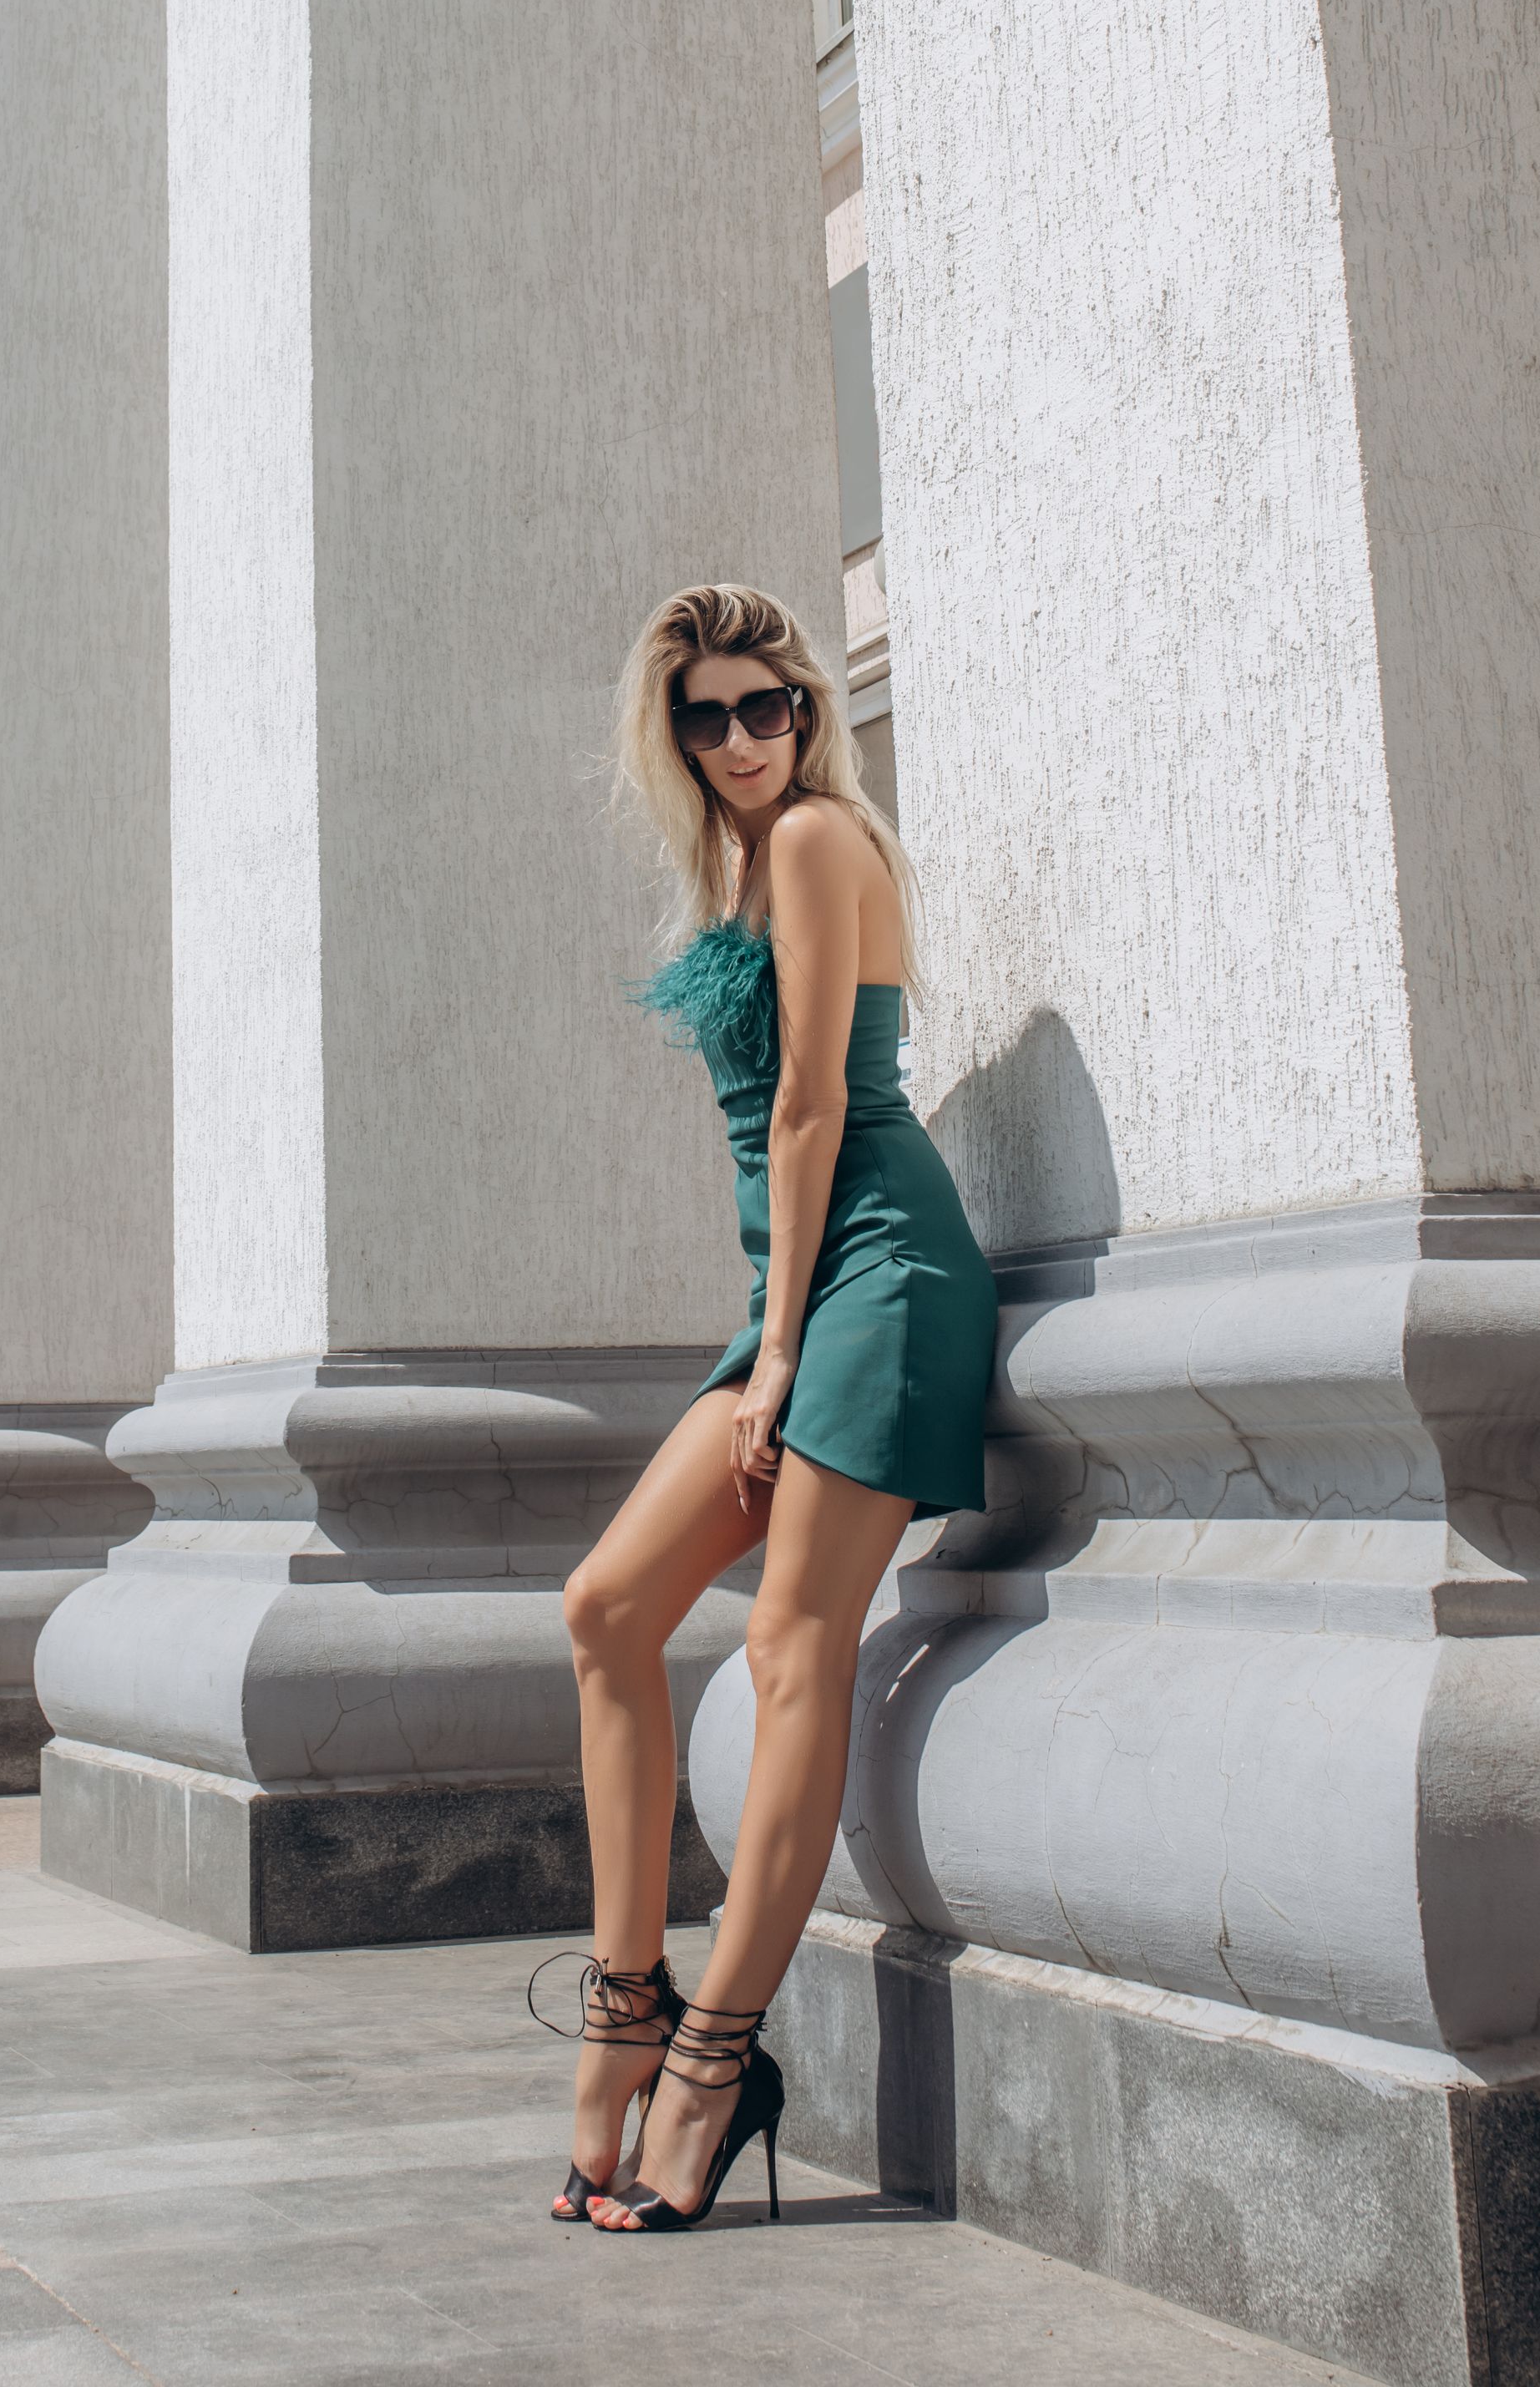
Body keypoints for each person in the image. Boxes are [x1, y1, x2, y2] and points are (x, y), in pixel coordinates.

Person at [545, 583, 997, 2235]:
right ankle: (625, 2004)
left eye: (772, 706)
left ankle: (717, 2067)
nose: (745, 739)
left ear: (812, 713)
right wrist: (771, 1330)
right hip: (800, 1292)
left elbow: (812, 1107)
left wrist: (785, 1354)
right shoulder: (733, 861)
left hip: (874, 1279)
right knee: (605, 1608)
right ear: (671, 733)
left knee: (791, 1645)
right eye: (709, 716)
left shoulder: (811, 841)